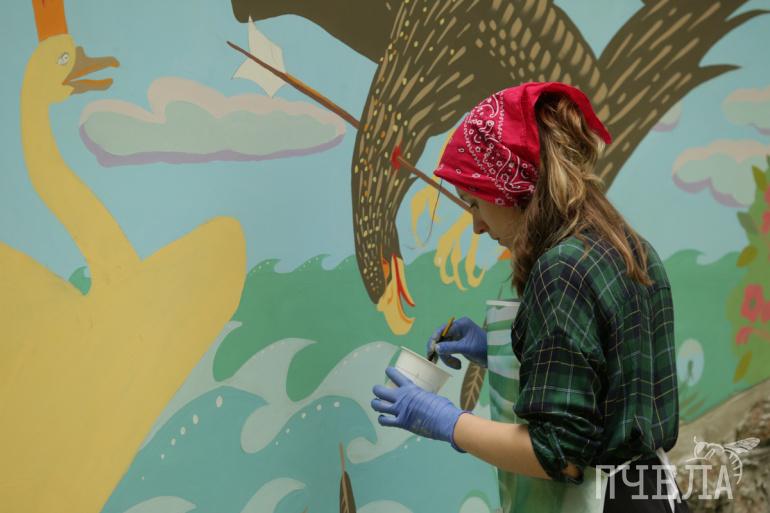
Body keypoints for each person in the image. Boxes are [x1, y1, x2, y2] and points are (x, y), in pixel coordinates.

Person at [370, 82, 689, 513]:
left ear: (510, 189)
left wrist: (449, 422)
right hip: (653, 490)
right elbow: (605, 377)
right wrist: (499, 350)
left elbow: (559, 455)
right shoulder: (629, 246)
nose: (476, 225)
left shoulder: (560, 270)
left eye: (474, 203)